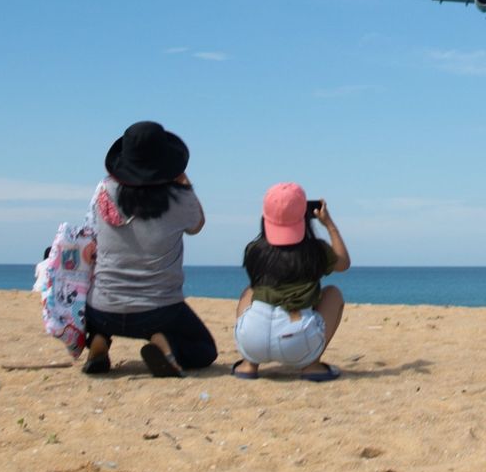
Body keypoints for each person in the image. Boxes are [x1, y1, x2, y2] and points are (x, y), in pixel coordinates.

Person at [79, 121, 217, 378]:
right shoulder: (179, 198)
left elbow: (90, 234)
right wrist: (184, 183)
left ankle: (98, 339)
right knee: (204, 350)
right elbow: (197, 225)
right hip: (158, 312)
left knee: (100, 301)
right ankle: (162, 341)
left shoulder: (104, 191)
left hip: (102, 309)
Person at [231, 182, 349, 382]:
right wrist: (329, 224)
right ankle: (312, 366)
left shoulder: (255, 250)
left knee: (250, 291)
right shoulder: (316, 250)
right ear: (306, 214)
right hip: (298, 344)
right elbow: (343, 263)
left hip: (252, 341)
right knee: (333, 294)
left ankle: (248, 364)